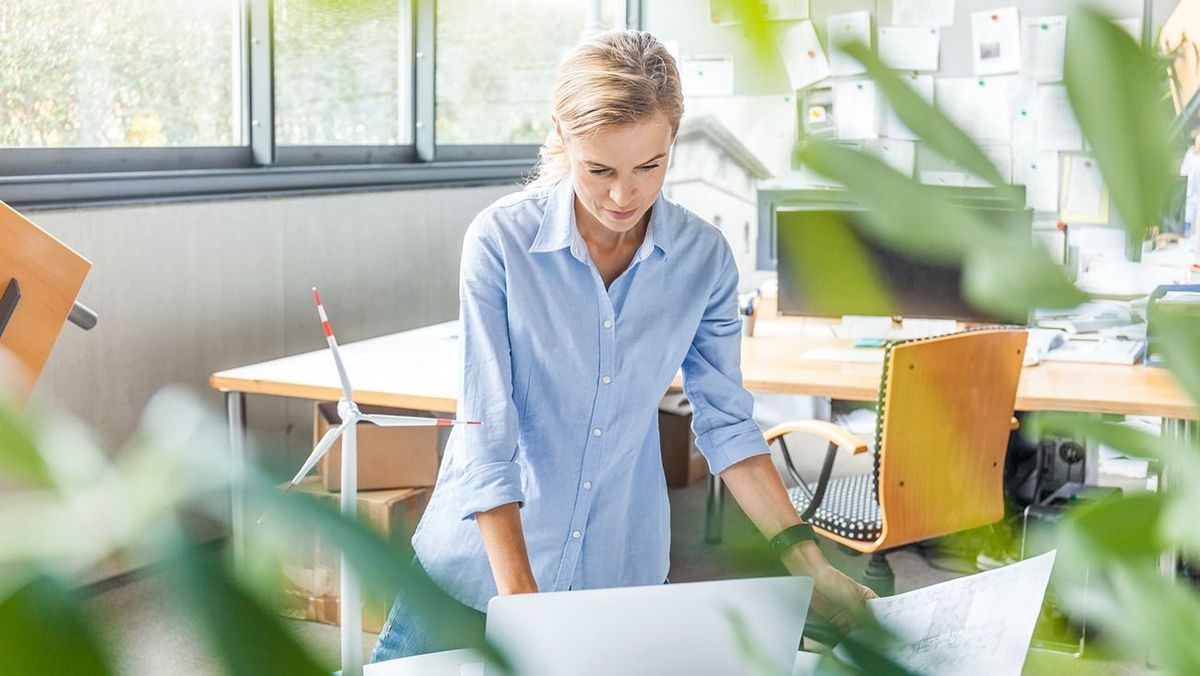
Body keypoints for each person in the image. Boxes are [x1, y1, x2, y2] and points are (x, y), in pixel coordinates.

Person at [370, 29, 875, 663]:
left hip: (619, 570)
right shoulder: (501, 241)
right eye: (599, 169)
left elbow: (727, 427)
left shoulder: (703, 259)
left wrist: (810, 564)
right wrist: (523, 606)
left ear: (673, 140)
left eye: (649, 167)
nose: (623, 195)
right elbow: (485, 435)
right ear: (562, 135)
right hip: (476, 571)